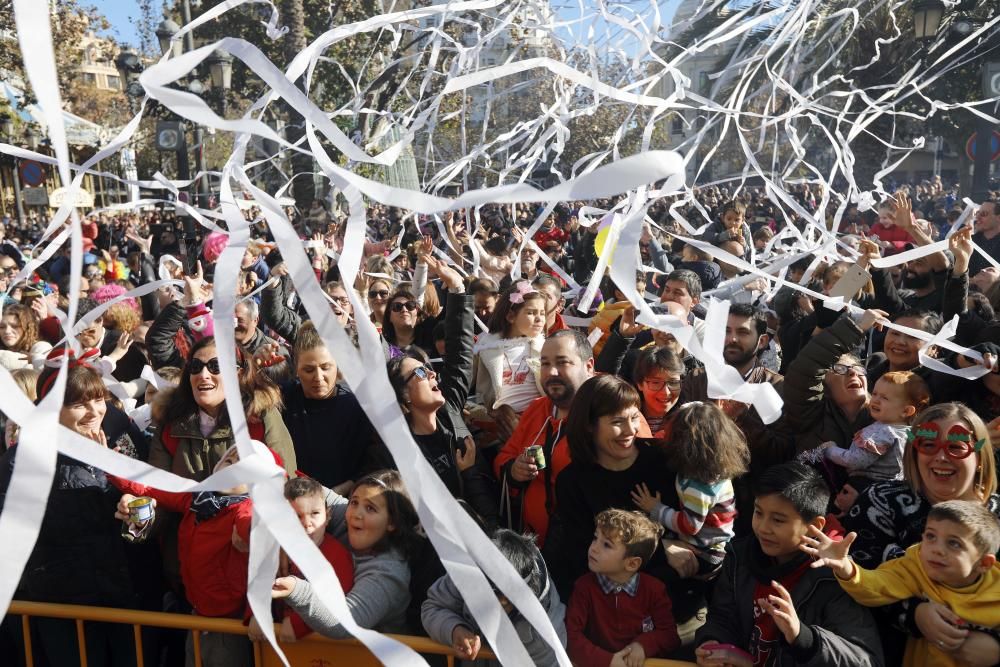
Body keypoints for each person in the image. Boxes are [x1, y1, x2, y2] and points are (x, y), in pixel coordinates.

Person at [0, 357, 150, 667]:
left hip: (122, 601)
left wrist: (136, 515)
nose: (95, 412)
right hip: (64, 608)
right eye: (79, 405)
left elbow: (137, 533)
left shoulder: (114, 448)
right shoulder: (23, 460)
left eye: (99, 399)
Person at [841, 402, 1000, 666]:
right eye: (928, 444)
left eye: (956, 447)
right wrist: (914, 615)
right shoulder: (880, 501)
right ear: (914, 452)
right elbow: (859, 583)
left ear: (980, 457)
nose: (941, 456)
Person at [694, 463, 883, 667]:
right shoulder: (740, 556)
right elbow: (723, 616)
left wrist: (803, 637)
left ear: (815, 526)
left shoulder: (836, 576)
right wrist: (712, 642)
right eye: (758, 513)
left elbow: (865, 660)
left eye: (778, 520)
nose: (763, 528)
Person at [112, 445, 264, 667]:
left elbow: (250, 527)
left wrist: (257, 532)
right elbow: (154, 486)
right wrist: (113, 465)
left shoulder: (246, 508)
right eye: (229, 462)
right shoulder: (195, 497)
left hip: (228, 621)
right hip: (195, 611)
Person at [805, 499, 1000, 667]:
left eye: (954, 543)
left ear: (984, 563)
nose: (937, 549)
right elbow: (877, 585)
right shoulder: (914, 567)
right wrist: (846, 568)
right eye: (931, 536)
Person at [381, 256, 498, 530]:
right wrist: (466, 474)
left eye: (429, 370)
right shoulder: (397, 452)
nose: (432, 374)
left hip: (488, 535)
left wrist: (457, 289)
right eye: (420, 373)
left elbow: (460, 354)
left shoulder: (451, 410)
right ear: (404, 397)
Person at [543, 374, 667, 598]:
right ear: (590, 425)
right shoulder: (573, 482)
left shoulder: (660, 461)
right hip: (606, 604)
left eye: (634, 418)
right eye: (617, 422)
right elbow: (584, 557)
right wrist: (663, 553)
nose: (631, 430)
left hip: (668, 597)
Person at [272, 470, 422, 637]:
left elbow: (344, 624)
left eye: (370, 508)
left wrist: (297, 590)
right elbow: (304, 493)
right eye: (354, 502)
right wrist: (281, 536)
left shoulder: (388, 573)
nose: (356, 514)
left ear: (392, 522)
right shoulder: (344, 515)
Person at [493, 329, 595, 542]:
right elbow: (503, 458)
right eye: (545, 363)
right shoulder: (538, 408)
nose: (552, 372)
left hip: (591, 550)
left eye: (562, 362)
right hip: (535, 544)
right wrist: (514, 470)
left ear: (589, 366)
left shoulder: (611, 410)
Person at [148, 336, 296, 480]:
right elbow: (158, 491)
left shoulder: (260, 418)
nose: (203, 374)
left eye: (216, 366)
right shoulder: (170, 419)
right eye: (196, 367)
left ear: (238, 375)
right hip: (184, 506)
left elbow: (285, 485)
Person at [633, 402, 749, 579]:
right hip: (707, 543)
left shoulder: (700, 485)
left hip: (707, 554)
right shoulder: (711, 468)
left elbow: (690, 525)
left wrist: (656, 509)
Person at [422, 529, 567, 665]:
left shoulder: (546, 639)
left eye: (506, 600)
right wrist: (454, 629)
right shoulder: (469, 572)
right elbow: (433, 606)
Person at [566, 509, 679, 667]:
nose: (593, 548)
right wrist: (608, 661)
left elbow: (670, 636)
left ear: (632, 563)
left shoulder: (654, 590)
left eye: (606, 545)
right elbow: (570, 636)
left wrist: (642, 646)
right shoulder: (583, 587)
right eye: (595, 538)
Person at [249, 477, 355, 643]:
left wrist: (298, 624)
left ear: (327, 516)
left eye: (315, 513)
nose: (307, 524)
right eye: (296, 516)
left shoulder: (337, 555)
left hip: (323, 649)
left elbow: (340, 605)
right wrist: (257, 614)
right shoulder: (275, 551)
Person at [813, 371, 930, 512]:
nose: (875, 400)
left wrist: (830, 450)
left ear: (906, 411)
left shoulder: (883, 433)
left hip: (864, 486)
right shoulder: (910, 433)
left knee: (835, 512)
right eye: (874, 394)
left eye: (885, 398)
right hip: (892, 489)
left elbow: (855, 460)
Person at [281, 321, 375, 494]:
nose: (318, 377)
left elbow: (370, 464)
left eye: (325, 367)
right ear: (296, 370)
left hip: (344, 502)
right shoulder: (285, 399)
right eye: (309, 370)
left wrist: (335, 494)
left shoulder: (356, 407)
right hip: (294, 499)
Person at [784, 308, 888, 454]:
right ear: (823, 386)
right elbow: (806, 369)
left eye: (857, 368)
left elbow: (914, 433)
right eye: (840, 369)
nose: (853, 372)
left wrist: (919, 437)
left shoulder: (886, 414)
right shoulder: (810, 415)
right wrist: (857, 328)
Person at [472, 279, 547, 441]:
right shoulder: (485, 346)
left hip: (539, 422)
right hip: (498, 426)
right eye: (531, 313)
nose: (539, 319)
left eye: (542, 313)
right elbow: (468, 385)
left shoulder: (545, 347)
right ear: (511, 316)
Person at [0, 303, 51, 370]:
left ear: (27, 327)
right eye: (2, 327)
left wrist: (35, 359)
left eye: (15, 326)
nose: (7, 331)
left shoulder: (42, 347)